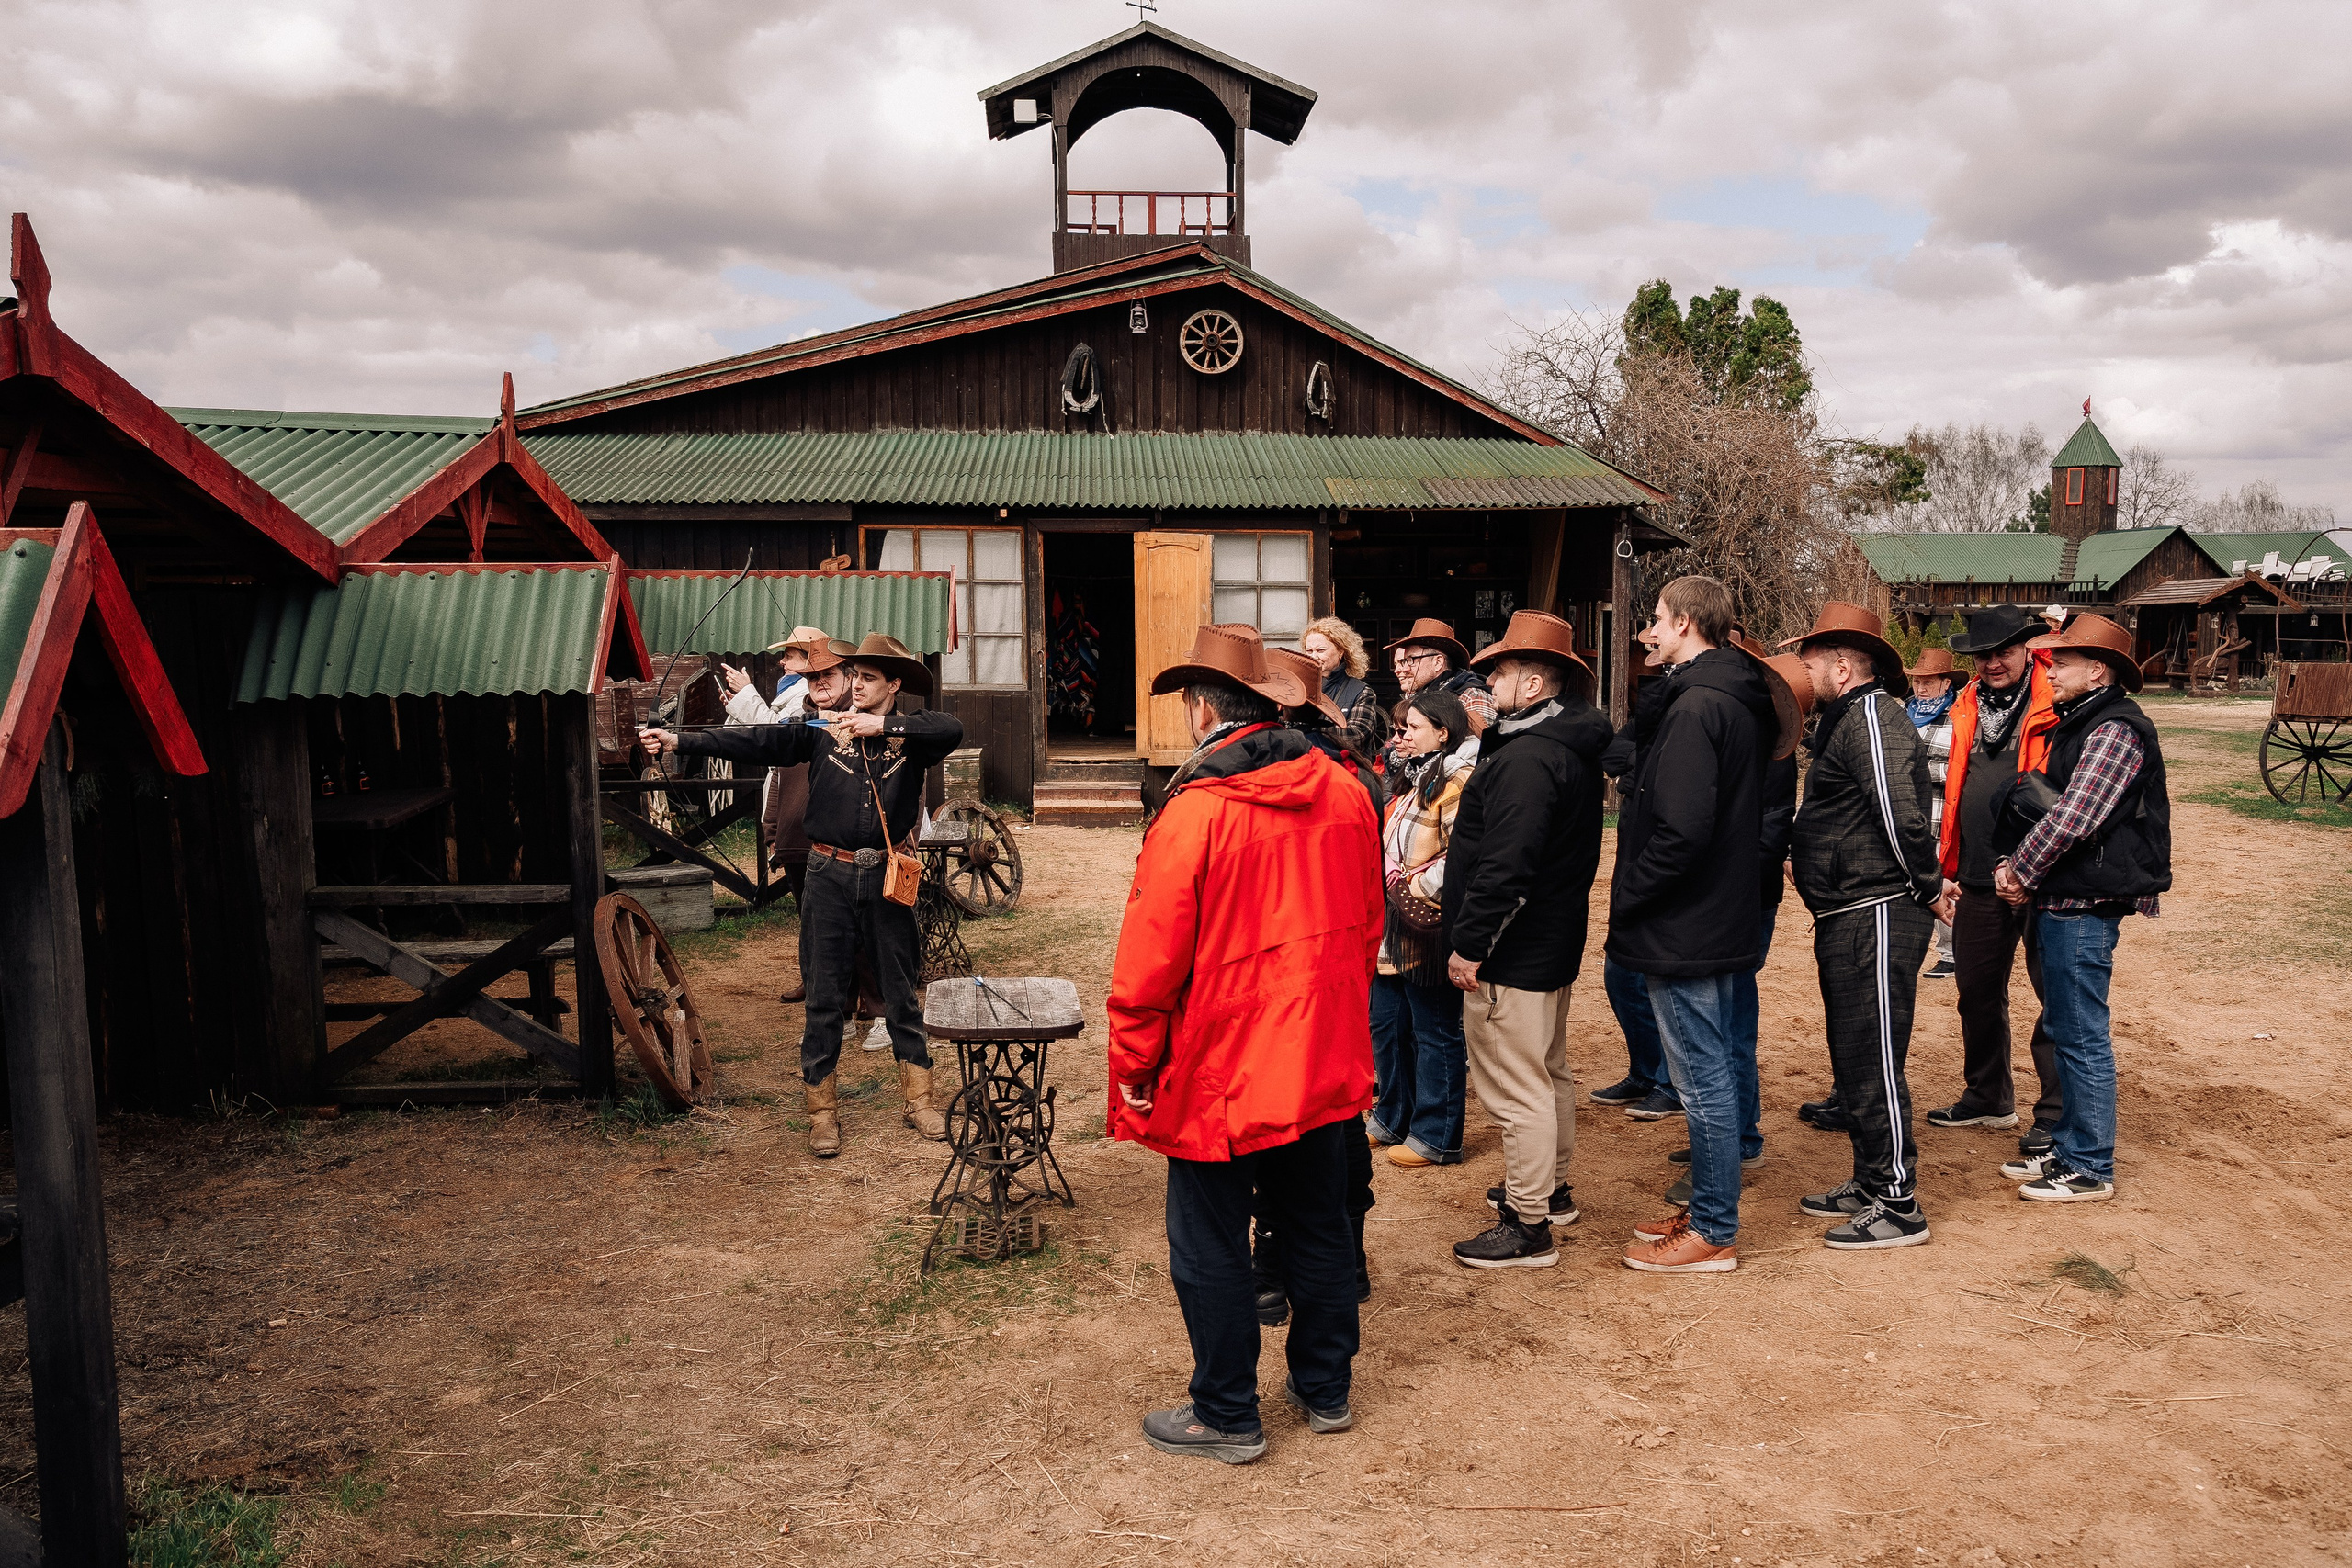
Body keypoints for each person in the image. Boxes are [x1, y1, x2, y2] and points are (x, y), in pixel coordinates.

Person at [1109, 623, 1381, 1464]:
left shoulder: (1196, 812)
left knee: (1210, 1240)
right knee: (1319, 1221)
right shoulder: (1345, 790)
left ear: (1200, 712)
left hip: (1222, 1064)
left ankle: (1227, 1408)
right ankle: (1326, 1386)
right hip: (1321, 1048)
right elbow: (1367, 922)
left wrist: (1133, 1067)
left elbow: (1148, 964)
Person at [641, 633, 964, 1157]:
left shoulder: (915, 738)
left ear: (894, 686)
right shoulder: (818, 734)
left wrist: (881, 725)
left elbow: (951, 726)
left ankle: (920, 1100)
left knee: (901, 991)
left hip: (886, 878)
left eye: (867, 679)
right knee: (824, 996)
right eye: (853, 677)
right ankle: (822, 1112)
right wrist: (680, 741)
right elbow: (754, 741)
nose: (854, 686)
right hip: (827, 877)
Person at [1607, 579, 1781, 1275]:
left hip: (1685, 921)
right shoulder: (1728, 696)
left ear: (1685, 623)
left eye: (1655, 620)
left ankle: (1712, 1227)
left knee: (1702, 1078)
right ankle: (1709, 1207)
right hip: (1712, 912)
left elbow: (1681, 830)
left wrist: (1629, 896)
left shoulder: (1698, 704)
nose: (1649, 631)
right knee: (1710, 1071)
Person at [1442, 611, 1611, 1269]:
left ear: (1536, 682)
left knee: (1519, 1087)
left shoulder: (1531, 758)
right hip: (1549, 939)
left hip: (1514, 950)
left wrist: (1471, 943)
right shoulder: (1555, 744)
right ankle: (1550, 1188)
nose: (1488, 683)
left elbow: (1507, 866)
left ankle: (1528, 1222)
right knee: (1547, 1070)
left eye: (1501, 672)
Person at [1782, 602, 1946, 1251]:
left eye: (1814, 659)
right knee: (1854, 1055)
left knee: (1874, 1056)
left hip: (1877, 910)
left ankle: (1899, 1202)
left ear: (1845, 666)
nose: (1806, 668)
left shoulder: (1875, 717)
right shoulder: (1849, 718)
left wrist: (1929, 887)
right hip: (1850, 911)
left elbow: (1902, 812)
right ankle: (1872, 1179)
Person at [1991, 614, 2170, 1204]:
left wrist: (2019, 870)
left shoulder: (2114, 730)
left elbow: (2073, 817)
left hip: (2084, 902)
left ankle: (2089, 1164)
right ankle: (2067, 1148)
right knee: (2066, 1027)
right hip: (2067, 895)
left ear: (2097, 670)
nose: (2051, 669)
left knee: (2082, 1034)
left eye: (2061, 662)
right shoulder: (2086, 722)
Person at [1653, 636, 1811, 1211]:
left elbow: (1770, 824)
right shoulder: (1742, 723)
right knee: (1721, 1022)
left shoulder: (1762, 737)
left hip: (1741, 897)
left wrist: (1732, 883)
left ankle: (1738, 1141)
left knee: (1729, 1023)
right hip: (1738, 893)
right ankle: (1728, 1138)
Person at [1250, 646, 1379, 1325]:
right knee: (1338, 1127)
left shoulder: (1260, 775)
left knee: (1278, 1130)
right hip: (1338, 981)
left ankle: (1272, 1270)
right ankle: (1346, 1258)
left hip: (1278, 977)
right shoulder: (1357, 777)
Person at [1920, 604, 2064, 1156]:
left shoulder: (2056, 700)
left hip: (2044, 873)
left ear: (2028, 649)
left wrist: (2032, 866)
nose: (1993, 663)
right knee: (1975, 990)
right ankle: (1988, 1095)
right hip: (1979, 871)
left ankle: (2053, 1112)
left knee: (2056, 996)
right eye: (1983, 654)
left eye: (2004, 651)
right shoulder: (1965, 704)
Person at [1368, 686, 1476, 1168]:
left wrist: (1411, 884)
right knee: (1388, 1022)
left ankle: (1437, 1135)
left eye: (1411, 728)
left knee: (1434, 1029)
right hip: (1394, 923)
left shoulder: (1458, 782)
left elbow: (1464, 856)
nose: (1401, 737)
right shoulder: (1413, 777)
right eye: (1400, 728)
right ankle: (1392, 1116)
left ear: (1441, 732)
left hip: (1427, 924)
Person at [1590, 630, 1686, 1123]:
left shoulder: (1699, 705)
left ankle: (1670, 1082)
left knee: (1659, 978)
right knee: (1619, 973)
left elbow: (1660, 767)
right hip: (1632, 849)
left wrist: (1640, 771)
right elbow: (1612, 754)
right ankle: (1646, 1071)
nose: (1649, 649)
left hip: (1664, 859)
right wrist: (1642, 767)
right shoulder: (1658, 698)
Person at [1905, 645, 1962, 981]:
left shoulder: (1958, 717)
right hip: (1907, 814)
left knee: (1942, 877)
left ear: (1945, 683)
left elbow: (1958, 768)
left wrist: (1916, 772)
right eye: (1917, 681)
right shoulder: (1901, 713)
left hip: (1941, 813)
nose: (1922, 688)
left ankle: (1950, 953)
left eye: (1929, 681)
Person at [1380, 618, 1494, 773]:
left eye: (1411, 660)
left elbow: (1483, 757)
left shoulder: (1472, 696)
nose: (1403, 668)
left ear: (1438, 662)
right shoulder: (1417, 696)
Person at [1302, 617, 1391, 764]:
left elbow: (1357, 737)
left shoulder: (1361, 691)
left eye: (1320, 650)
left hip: (1345, 773)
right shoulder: (1300, 687)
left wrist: (1306, 733)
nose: (1313, 656)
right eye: (1309, 651)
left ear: (1341, 652)